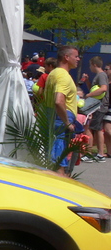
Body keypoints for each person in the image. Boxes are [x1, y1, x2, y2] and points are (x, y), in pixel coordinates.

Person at [44, 46, 81, 176]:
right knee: (58, 159)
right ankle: (60, 180)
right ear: (66, 57)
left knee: (54, 154)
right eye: (76, 56)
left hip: (53, 116)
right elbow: (59, 101)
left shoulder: (53, 74)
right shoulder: (62, 76)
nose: (78, 59)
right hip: (61, 119)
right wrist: (67, 122)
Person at [83, 56, 108, 162]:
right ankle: (100, 153)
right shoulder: (99, 76)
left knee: (91, 128)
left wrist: (89, 95)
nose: (90, 68)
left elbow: (103, 89)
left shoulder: (101, 75)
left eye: (90, 65)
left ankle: (91, 154)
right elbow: (95, 90)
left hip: (99, 106)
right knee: (97, 129)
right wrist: (88, 82)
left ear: (94, 64)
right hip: (98, 105)